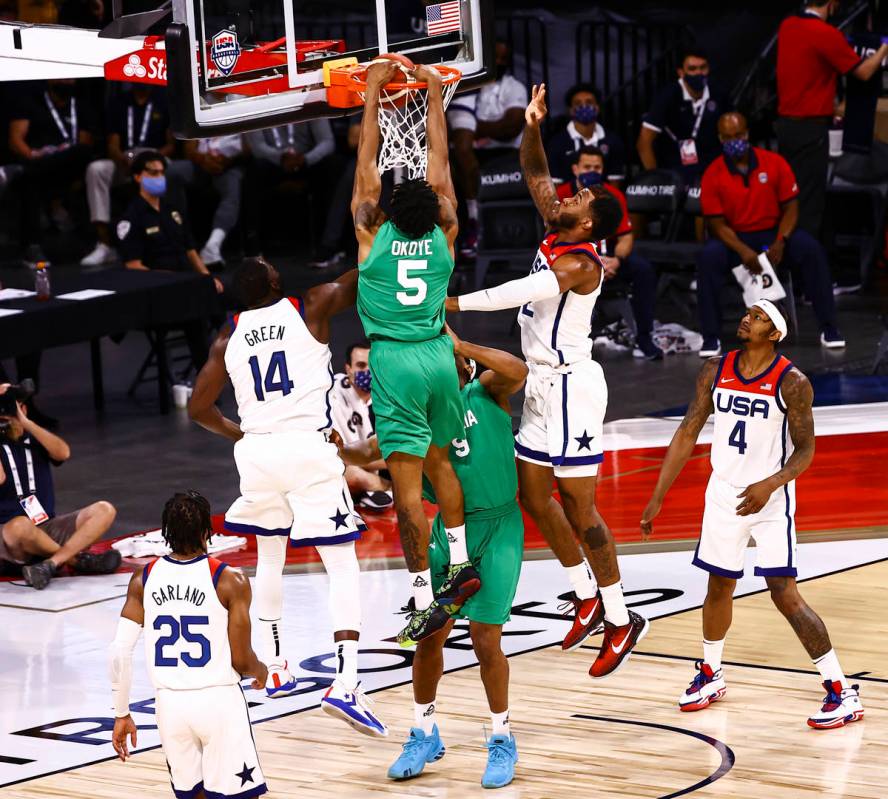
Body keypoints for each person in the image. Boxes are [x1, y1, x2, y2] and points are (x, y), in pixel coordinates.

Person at [447, 84, 649, 679]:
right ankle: (583, 593)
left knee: (580, 508)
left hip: (572, 388)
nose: (567, 194)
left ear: (587, 220)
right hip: (541, 383)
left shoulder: (580, 263)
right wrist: (532, 124)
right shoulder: (558, 222)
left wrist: (453, 303)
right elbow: (535, 171)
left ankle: (620, 616)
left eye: (578, 194)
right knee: (533, 496)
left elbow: (520, 291)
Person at [187, 257, 387, 736]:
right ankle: (345, 683)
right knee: (341, 564)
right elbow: (364, 270)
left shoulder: (227, 335)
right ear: (277, 280)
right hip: (306, 445)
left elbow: (198, 407)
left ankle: (276, 667)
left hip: (257, 451)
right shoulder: (310, 305)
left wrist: (243, 434)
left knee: (270, 557)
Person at [640, 301, 863, 729]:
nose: (747, 318)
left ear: (774, 333)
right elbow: (688, 430)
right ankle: (710, 672)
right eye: (747, 313)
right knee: (718, 585)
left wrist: (770, 484)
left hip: (770, 499)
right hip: (723, 493)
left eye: (759, 317)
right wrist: (658, 496)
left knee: (783, 591)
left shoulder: (792, 382)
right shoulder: (715, 368)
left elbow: (806, 450)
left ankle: (841, 689)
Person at [345, 330, 526, 788]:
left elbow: (517, 370)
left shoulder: (485, 390)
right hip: (450, 534)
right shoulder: (418, 416)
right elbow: (366, 451)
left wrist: (461, 345)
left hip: (499, 529)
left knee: (487, 640)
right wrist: (336, 448)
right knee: (429, 637)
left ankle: (503, 738)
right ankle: (423, 730)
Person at [352, 60, 477, 647]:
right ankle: (460, 562)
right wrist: (431, 94)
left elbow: (365, 170)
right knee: (440, 464)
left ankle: (423, 597)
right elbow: (441, 164)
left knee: (404, 494)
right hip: (437, 355)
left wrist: (374, 91)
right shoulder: (444, 233)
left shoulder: (371, 234)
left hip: (397, 361)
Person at [109, 491, 269, 798]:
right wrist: (261, 671)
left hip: (170, 706)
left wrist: (121, 712)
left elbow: (118, 651)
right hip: (218, 701)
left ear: (165, 533)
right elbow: (241, 660)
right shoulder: (229, 579)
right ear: (208, 531)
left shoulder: (144, 578)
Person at [697, 112, 844, 356]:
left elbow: (791, 207)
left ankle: (829, 328)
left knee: (811, 250)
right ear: (720, 138)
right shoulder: (713, 173)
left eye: (740, 135)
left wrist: (781, 241)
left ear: (747, 134)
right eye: (729, 137)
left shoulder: (774, 162)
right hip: (735, 239)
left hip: (773, 235)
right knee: (708, 257)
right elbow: (716, 223)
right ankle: (710, 337)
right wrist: (743, 251)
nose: (736, 140)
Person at [776, 2, 888, 236]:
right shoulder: (826, 34)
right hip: (810, 132)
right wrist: (884, 48)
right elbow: (865, 72)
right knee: (808, 203)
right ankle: (802, 265)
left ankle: (789, 259)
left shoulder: (787, 26)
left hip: (785, 130)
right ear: (832, 4)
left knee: (788, 197)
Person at [0, 383, 119, 589]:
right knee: (19, 526)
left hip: (46, 527)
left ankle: (51, 563)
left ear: (24, 409)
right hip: (9, 537)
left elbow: (63, 452)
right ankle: (77, 560)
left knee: (104, 509)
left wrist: (25, 422)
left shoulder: (35, 439)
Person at [119, 150, 223, 369]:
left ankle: (238, 368)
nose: (159, 177)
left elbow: (190, 251)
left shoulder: (172, 210)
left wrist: (207, 278)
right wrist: (173, 281)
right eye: (153, 173)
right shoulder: (131, 217)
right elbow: (133, 266)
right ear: (138, 177)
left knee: (227, 297)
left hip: (189, 283)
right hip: (159, 293)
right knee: (196, 313)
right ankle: (207, 382)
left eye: (161, 173)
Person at [556, 146, 660, 359]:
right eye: (587, 166)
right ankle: (564, 341)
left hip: (608, 254)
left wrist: (616, 260)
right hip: (574, 255)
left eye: (597, 167)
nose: (592, 171)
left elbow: (626, 236)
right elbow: (558, 237)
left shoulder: (614, 196)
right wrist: (592, 262)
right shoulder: (562, 196)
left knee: (644, 270)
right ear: (575, 168)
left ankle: (644, 338)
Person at [447, 40, 528, 258]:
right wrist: (468, 131)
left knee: (462, 151)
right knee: (448, 163)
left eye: (504, 58)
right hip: (469, 155)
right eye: (496, 57)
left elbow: (510, 128)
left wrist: (470, 128)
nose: (499, 62)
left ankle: (475, 219)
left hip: (504, 153)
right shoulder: (465, 85)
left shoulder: (514, 87)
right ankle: (454, 231)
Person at [81, 86, 175, 267]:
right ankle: (104, 243)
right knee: (96, 169)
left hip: (156, 157)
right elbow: (113, 145)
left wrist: (152, 160)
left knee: (166, 172)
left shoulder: (163, 100)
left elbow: (171, 145)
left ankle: (165, 241)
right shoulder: (119, 102)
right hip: (127, 159)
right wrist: (122, 158)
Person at [8, 78, 95, 263]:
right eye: (63, 76)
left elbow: (84, 143)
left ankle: (14, 171)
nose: (67, 81)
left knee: (80, 151)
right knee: (29, 181)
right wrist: (31, 155)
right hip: (39, 164)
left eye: (71, 77)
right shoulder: (31, 102)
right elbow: (16, 140)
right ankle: (32, 246)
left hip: (70, 167)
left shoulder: (81, 106)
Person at [243, 120, 337, 257]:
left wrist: (306, 159)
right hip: (273, 162)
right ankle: (253, 246)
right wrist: (280, 157)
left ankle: (327, 244)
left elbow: (327, 142)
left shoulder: (310, 102)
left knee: (330, 165)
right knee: (253, 170)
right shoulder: (257, 103)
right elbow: (257, 147)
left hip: (306, 160)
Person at [637, 48, 728, 181]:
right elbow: (644, 143)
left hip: (712, 166)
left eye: (703, 68)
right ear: (681, 72)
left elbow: (732, 131)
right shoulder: (667, 97)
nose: (699, 73)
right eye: (692, 69)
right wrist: (656, 180)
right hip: (676, 170)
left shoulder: (719, 93)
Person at [330, 339, 393, 510]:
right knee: (352, 474)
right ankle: (391, 490)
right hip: (341, 466)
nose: (367, 371)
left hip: (371, 463)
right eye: (361, 365)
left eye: (371, 365)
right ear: (348, 369)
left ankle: (381, 491)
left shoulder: (386, 400)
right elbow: (347, 455)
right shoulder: (334, 396)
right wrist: (398, 459)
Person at [179, 134, 246, 266]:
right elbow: (189, 146)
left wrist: (226, 160)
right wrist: (204, 159)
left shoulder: (242, 114)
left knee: (233, 186)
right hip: (200, 163)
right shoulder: (198, 113)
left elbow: (249, 146)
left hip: (230, 165)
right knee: (172, 172)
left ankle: (213, 245)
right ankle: (177, 239)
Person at [546, 83, 627, 187]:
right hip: (568, 200)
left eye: (589, 102)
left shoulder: (613, 141)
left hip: (602, 199)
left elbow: (614, 184)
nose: (584, 106)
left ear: (597, 108)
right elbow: (555, 186)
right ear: (571, 110)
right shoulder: (557, 143)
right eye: (578, 103)